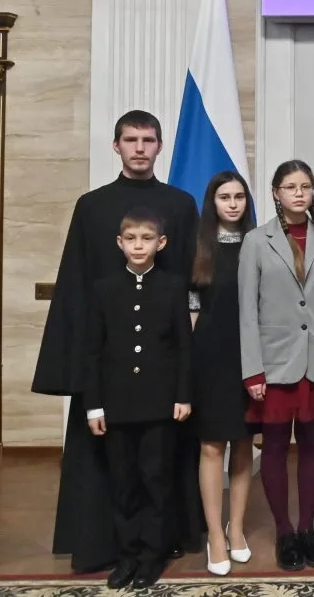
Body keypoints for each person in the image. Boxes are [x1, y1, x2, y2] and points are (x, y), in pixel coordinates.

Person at [31, 109, 200, 572]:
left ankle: (161, 542)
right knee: (111, 464)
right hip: (106, 363)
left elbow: (192, 280)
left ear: (159, 146)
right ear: (116, 146)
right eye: (131, 140)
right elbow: (74, 284)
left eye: (148, 140)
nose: (140, 148)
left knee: (159, 466)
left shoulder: (181, 205)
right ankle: (104, 544)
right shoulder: (92, 206)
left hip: (162, 367)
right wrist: (78, 369)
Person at [84, 208, 193, 589]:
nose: (138, 246)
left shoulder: (173, 286)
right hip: (116, 405)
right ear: (120, 242)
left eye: (146, 239)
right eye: (131, 239)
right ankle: (127, 556)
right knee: (124, 483)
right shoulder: (104, 288)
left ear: (161, 243)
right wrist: (94, 405)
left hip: (160, 405)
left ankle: (151, 556)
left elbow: (183, 347)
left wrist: (183, 396)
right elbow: (93, 352)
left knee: (156, 481)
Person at [239, 159, 314, 571]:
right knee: (276, 446)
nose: (299, 193)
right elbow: (247, 310)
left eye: (305, 187)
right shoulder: (256, 241)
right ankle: (284, 532)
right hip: (275, 361)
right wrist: (252, 369)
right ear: (276, 193)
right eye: (290, 187)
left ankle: (306, 529)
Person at [189, 171, 257, 576]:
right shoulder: (198, 246)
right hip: (209, 359)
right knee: (212, 445)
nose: (232, 204)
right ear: (212, 202)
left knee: (245, 443)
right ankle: (215, 534)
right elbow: (191, 312)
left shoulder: (258, 243)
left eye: (239, 197)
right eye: (224, 197)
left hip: (249, 357)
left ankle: (237, 528)